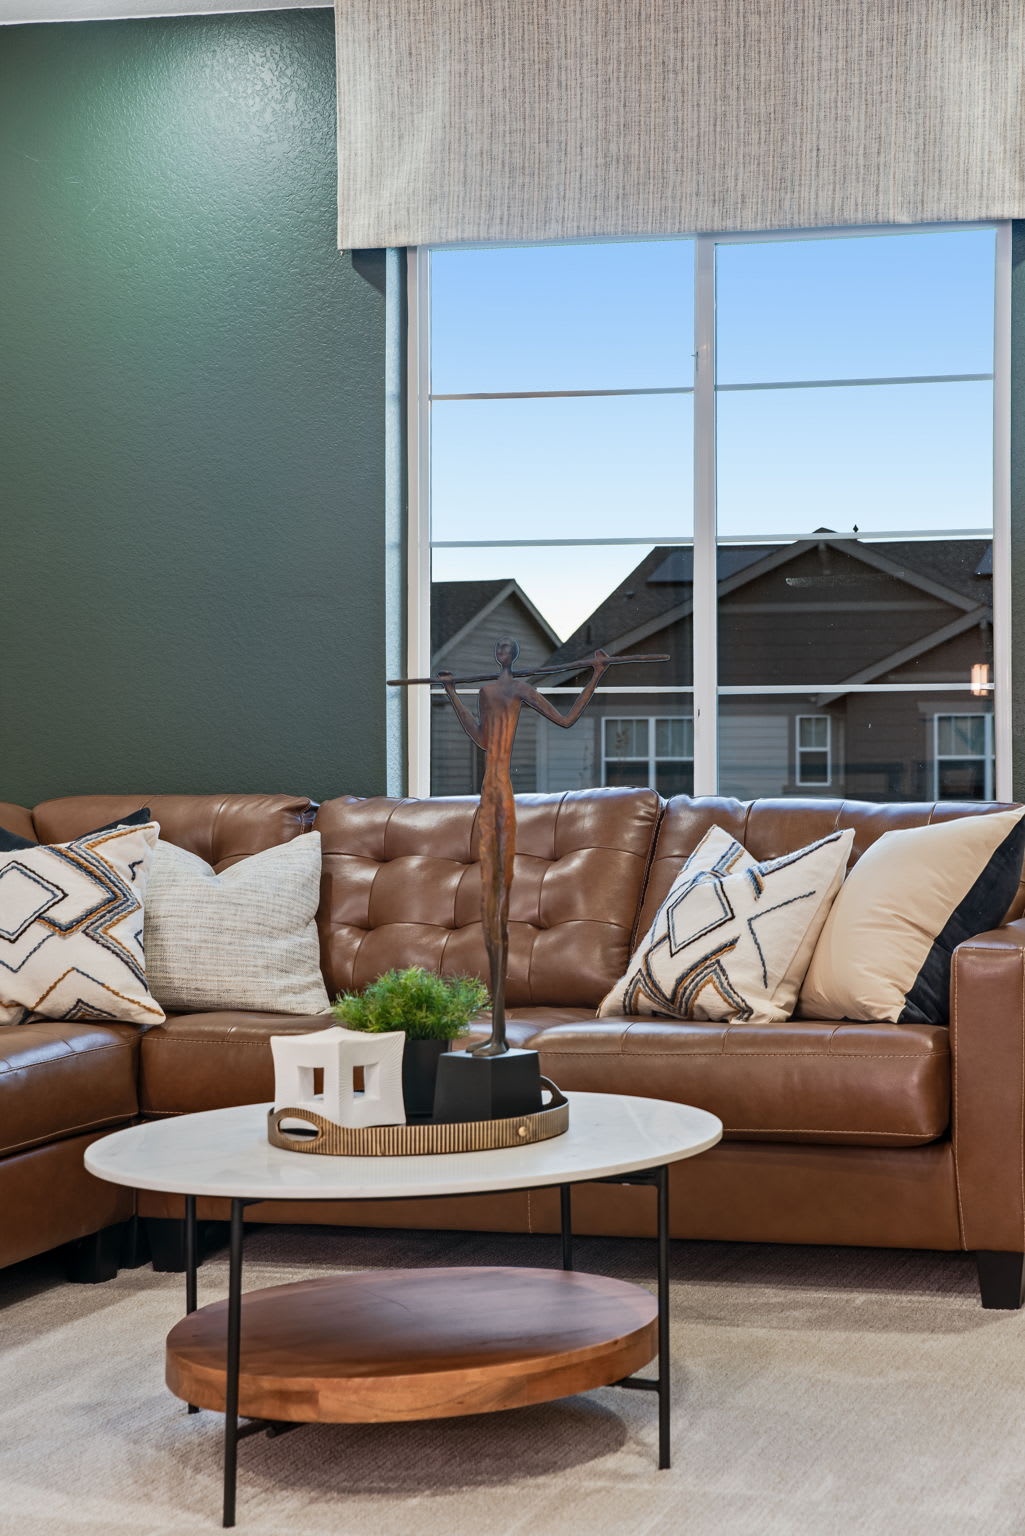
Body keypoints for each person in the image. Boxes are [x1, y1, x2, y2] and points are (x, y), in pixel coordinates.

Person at [436, 637, 610, 1055]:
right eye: (496, 647)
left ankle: (498, 1033)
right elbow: (480, 737)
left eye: (505, 648)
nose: (500, 652)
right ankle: (495, 1032)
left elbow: (566, 720)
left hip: (505, 794)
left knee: (504, 897)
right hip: (487, 791)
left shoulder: (521, 690)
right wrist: (452, 693)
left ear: (511, 655)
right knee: (487, 901)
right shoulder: (487, 691)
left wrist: (596, 676)